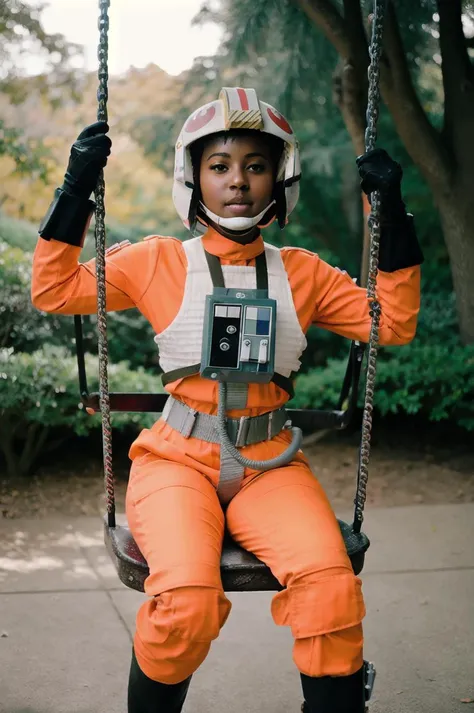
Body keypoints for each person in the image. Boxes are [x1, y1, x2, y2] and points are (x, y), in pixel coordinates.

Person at [32, 87, 423, 713]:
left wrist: (392, 215)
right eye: (219, 166)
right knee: (184, 601)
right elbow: (53, 290)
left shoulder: (304, 273)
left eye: (255, 165)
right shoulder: (157, 261)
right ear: (194, 179)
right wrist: (76, 189)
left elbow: (393, 323)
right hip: (176, 461)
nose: (237, 181)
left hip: (270, 463)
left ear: (279, 178)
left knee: (330, 591)